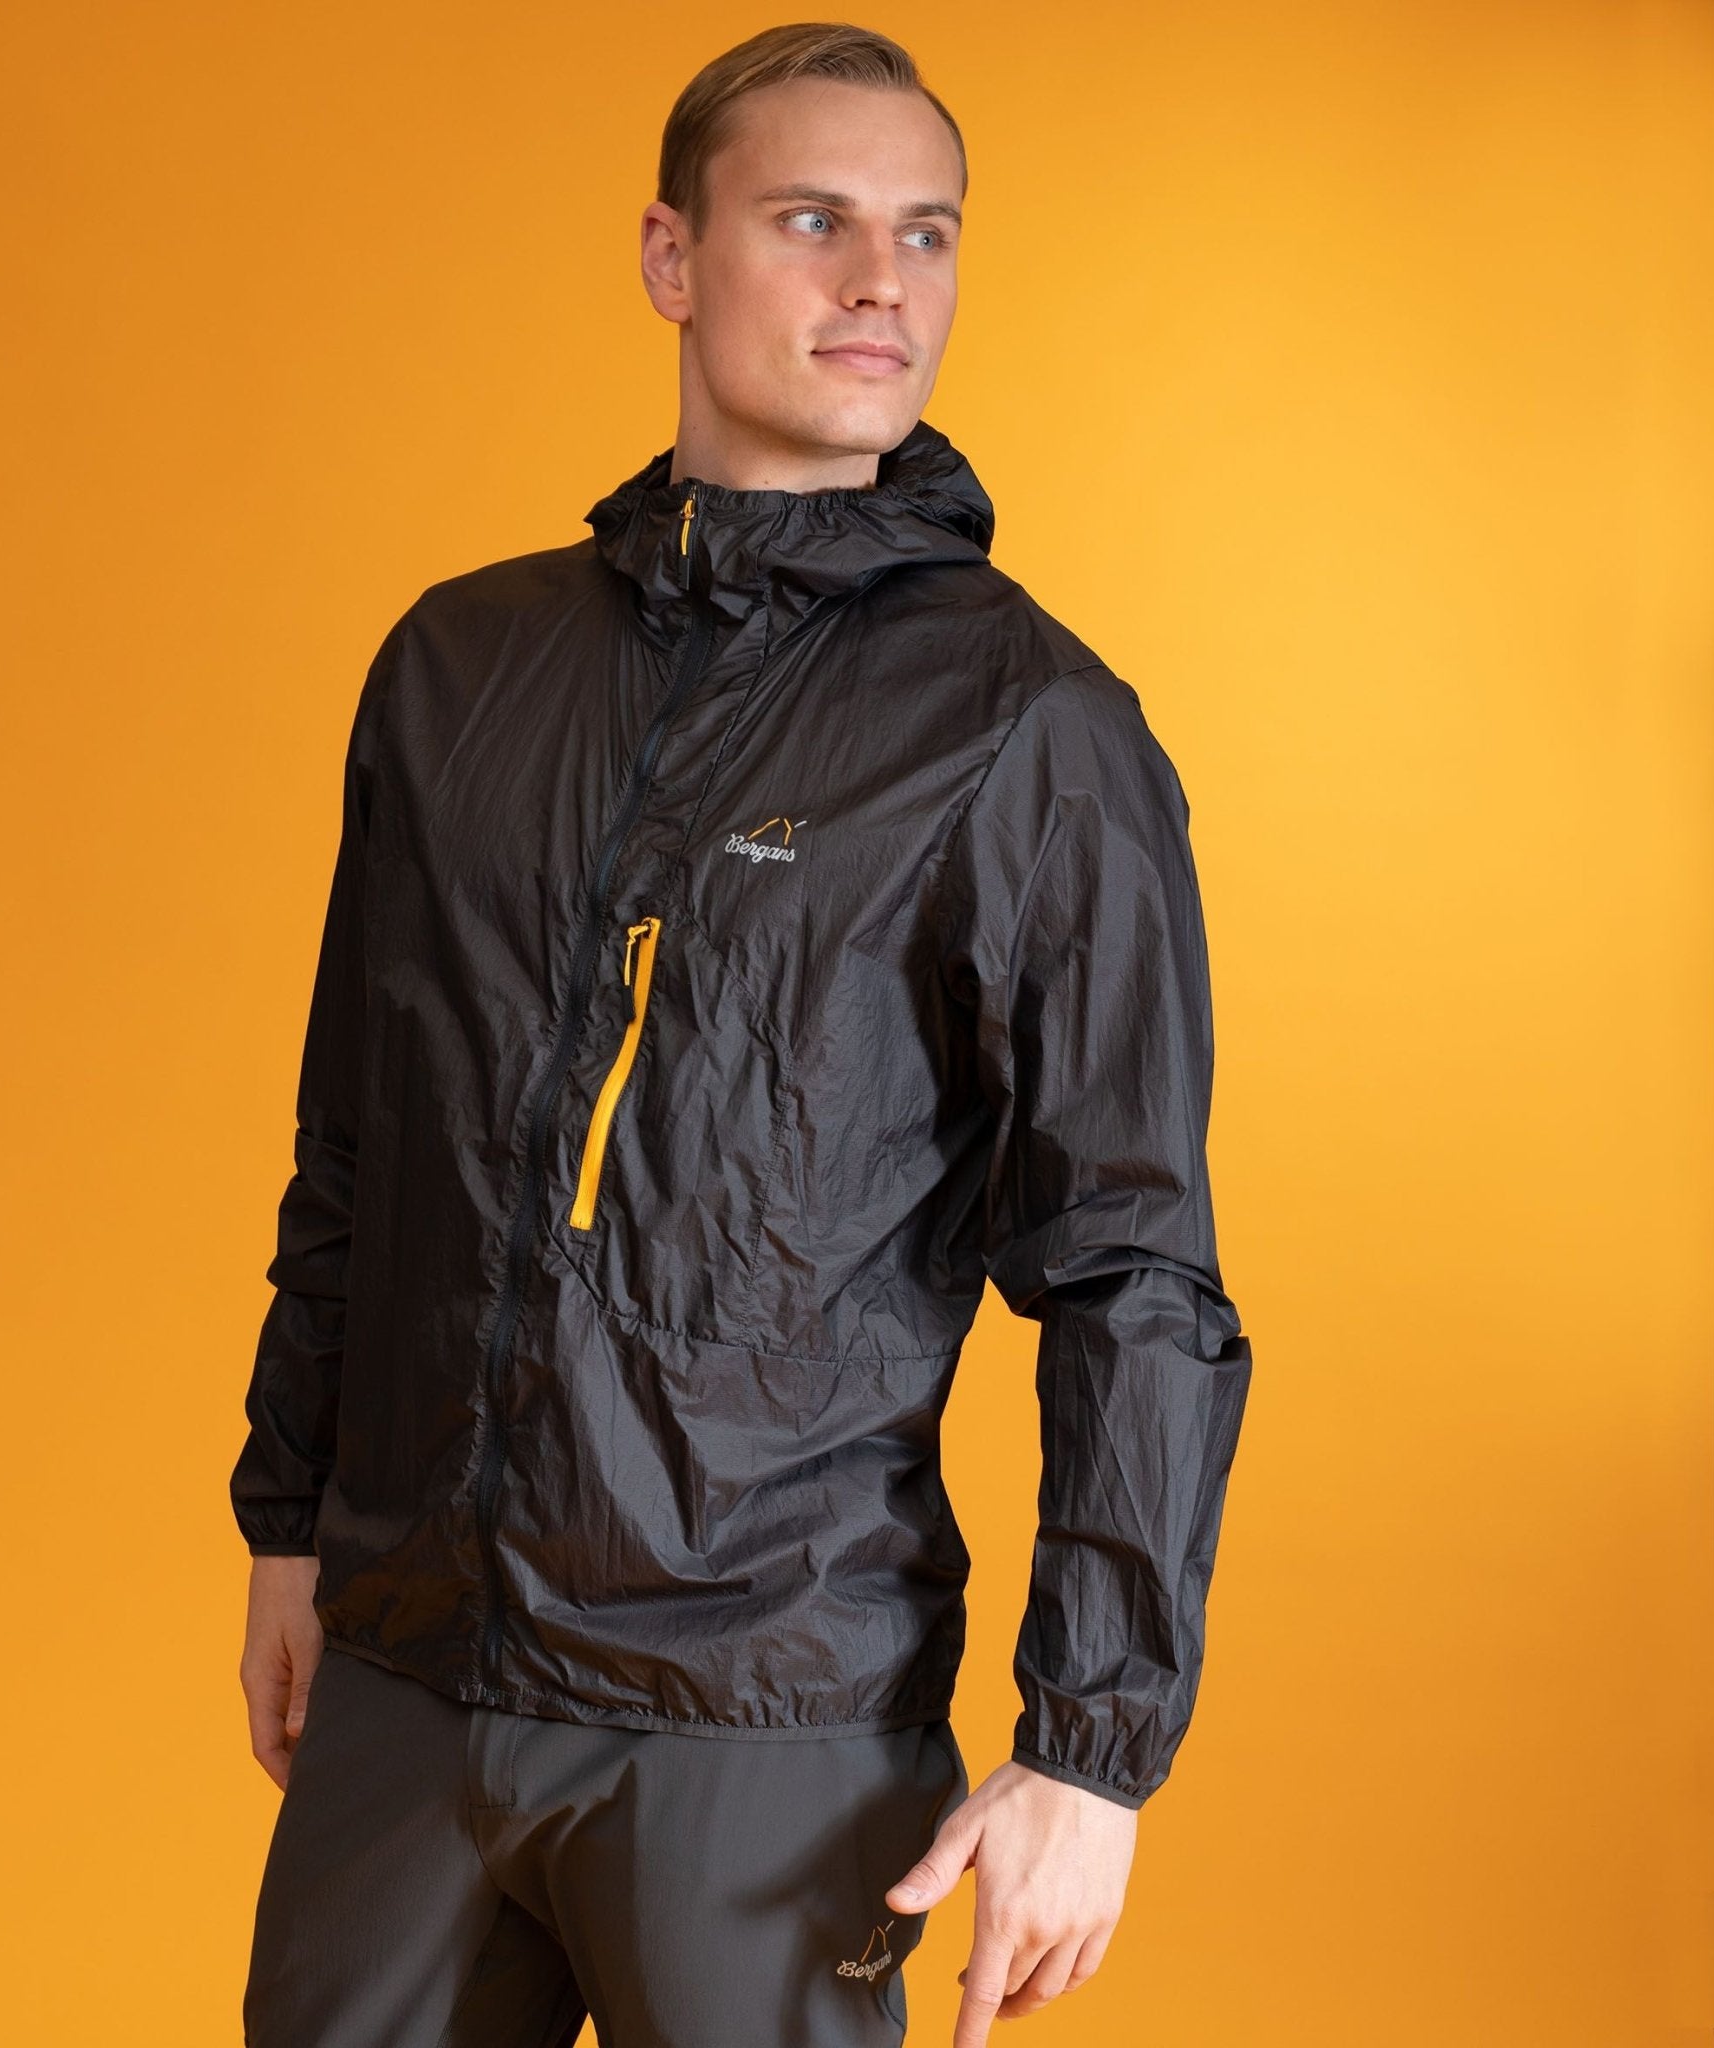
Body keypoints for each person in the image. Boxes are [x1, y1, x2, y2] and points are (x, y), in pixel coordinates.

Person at [230, 22, 1253, 2048]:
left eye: (926, 233)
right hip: (411, 1682)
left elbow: (1134, 1267)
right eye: (813, 220)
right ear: (670, 257)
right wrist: (289, 1519)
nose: (882, 281)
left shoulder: (1029, 732)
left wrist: (1093, 1745)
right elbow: (360, 1132)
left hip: (768, 1723)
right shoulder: (460, 667)